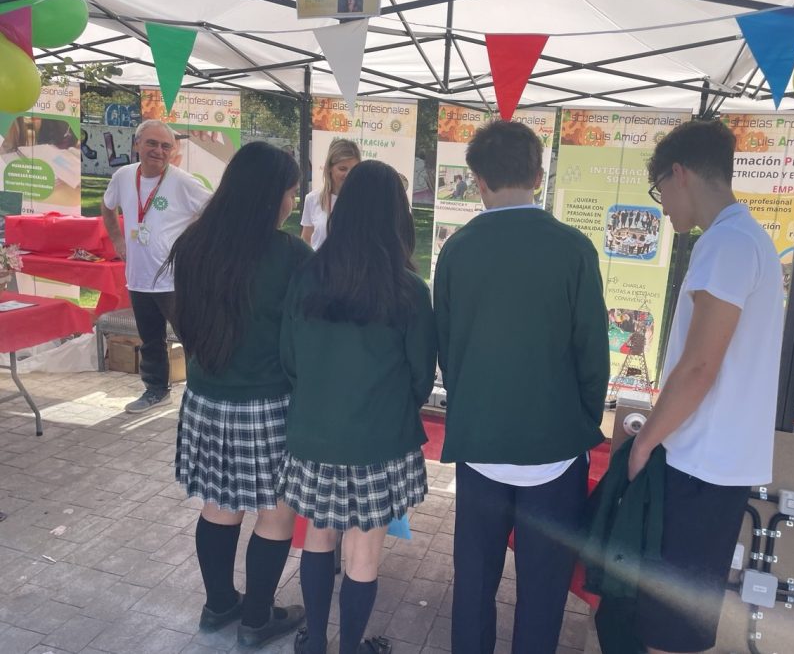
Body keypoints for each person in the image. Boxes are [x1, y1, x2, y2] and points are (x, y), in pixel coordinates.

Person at [433, 120, 609, 654]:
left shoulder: (457, 249)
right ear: (538, 174)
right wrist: (579, 421)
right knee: (544, 592)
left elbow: (448, 348)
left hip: (480, 443)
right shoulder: (574, 249)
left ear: (477, 179)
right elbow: (593, 356)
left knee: (473, 583)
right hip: (555, 447)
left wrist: (472, 405)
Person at [620, 119, 783, 654]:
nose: (663, 206)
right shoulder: (745, 237)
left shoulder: (726, 243)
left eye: (659, 190)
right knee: (677, 621)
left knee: (667, 629)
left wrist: (644, 442)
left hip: (701, 464)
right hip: (716, 461)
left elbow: (699, 367)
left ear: (680, 174)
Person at [279, 160, 436, 654]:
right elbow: (421, 376)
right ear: (397, 215)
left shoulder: (306, 276)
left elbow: (289, 359)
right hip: (380, 439)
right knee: (364, 552)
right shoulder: (409, 290)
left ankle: (314, 642)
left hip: (315, 434)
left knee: (318, 536)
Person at [165, 142, 310, 648]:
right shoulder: (290, 254)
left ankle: (219, 605)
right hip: (269, 403)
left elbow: (182, 321)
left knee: (219, 505)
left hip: (205, 399)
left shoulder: (193, 243)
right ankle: (256, 619)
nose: (293, 203)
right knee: (276, 512)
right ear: (271, 195)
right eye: (291, 193)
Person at [101, 119, 210, 413]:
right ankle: (156, 390)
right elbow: (107, 206)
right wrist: (117, 240)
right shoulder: (123, 176)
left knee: (192, 339)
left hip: (174, 280)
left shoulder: (183, 182)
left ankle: (201, 395)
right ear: (137, 144)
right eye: (152, 143)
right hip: (139, 277)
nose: (159, 151)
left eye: (166, 146)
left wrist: (193, 250)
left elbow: (214, 212)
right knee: (151, 340)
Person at [300, 139, 360, 250]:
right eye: (342, 169)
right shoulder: (313, 199)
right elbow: (306, 239)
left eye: (354, 169)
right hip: (319, 260)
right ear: (329, 169)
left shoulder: (363, 201)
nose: (348, 175)